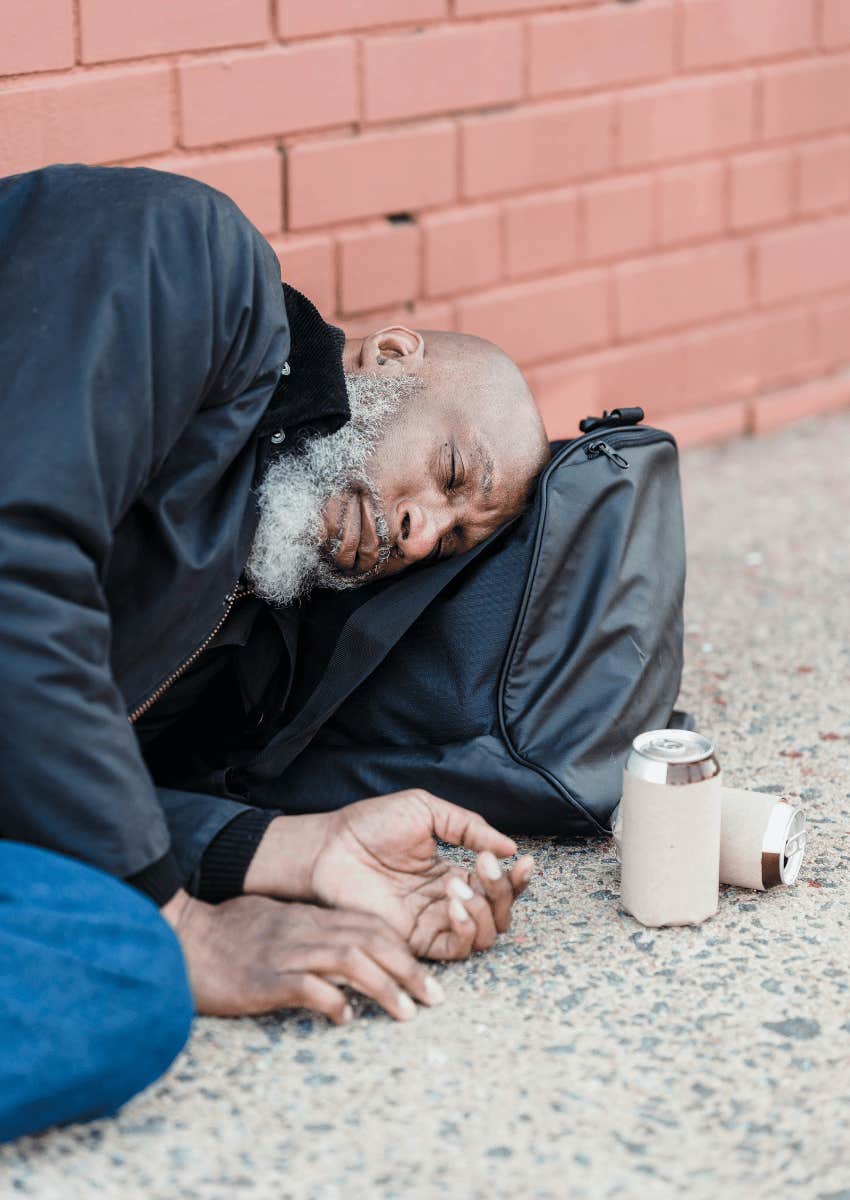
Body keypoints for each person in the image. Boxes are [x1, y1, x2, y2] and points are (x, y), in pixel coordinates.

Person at [0, 164, 550, 1142]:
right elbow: (13, 565)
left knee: (118, 986)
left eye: (454, 540)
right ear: (390, 356)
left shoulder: (246, 630)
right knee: (141, 971)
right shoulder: (193, 262)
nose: (423, 533)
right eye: (450, 472)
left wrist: (295, 848)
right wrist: (181, 919)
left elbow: (44, 772)